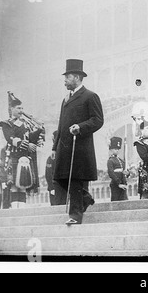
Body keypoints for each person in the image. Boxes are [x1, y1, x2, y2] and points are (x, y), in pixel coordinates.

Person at [52, 59, 104, 225]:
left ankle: (75, 215)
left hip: (80, 147)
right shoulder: (65, 99)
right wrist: (55, 147)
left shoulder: (90, 96)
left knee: (74, 180)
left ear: (76, 77)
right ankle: (86, 198)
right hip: (64, 147)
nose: (65, 81)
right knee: (60, 179)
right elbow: (60, 124)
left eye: (67, 77)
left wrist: (80, 127)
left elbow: (98, 120)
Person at [0, 96, 43, 208]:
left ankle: (22, 210)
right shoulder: (6, 123)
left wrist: (38, 127)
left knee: (23, 185)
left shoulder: (27, 123)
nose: (21, 111)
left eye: (22, 108)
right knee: (14, 186)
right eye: (18, 108)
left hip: (25, 159)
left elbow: (32, 137)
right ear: (12, 109)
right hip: (14, 157)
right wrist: (26, 144)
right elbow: (10, 138)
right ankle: (15, 212)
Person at [45, 130, 66, 205]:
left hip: (64, 189)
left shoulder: (66, 156)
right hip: (55, 188)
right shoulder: (51, 158)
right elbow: (48, 174)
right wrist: (51, 188)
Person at [107, 137, 129, 201]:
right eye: (115, 149)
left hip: (123, 185)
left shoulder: (122, 161)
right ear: (111, 150)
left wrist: (127, 173)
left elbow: (126, 171)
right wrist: (119, 183)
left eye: (118, 149)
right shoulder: (110, 161)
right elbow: (111, 173)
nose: (117, 150)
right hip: (115, 185)